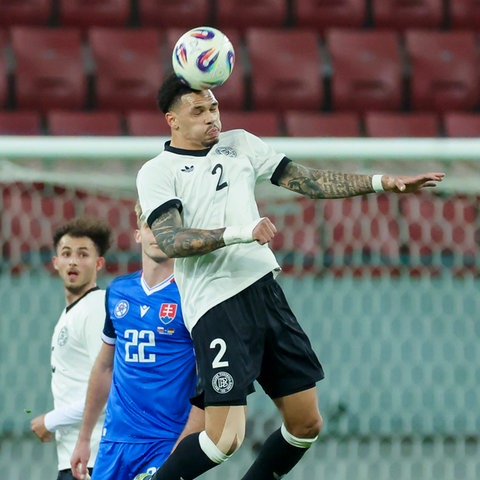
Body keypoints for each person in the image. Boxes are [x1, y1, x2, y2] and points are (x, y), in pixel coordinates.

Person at [134, 72, 446, 480]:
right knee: (223, 440)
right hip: (216, 305)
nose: (212, 117)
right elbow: (172, 240)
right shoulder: (157, 171)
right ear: (171, 120)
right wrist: (241, 232)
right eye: (198, 111)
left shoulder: (240, 144)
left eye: (214, 107)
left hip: (265, 293)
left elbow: (309, 181)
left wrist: (382, 182)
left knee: (305, 423)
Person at [70, 201, 203, 480]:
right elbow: (105, 367)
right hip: (114, 443)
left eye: (167, 228)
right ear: (138, 234)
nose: (157, 235)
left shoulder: (192, 296)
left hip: (164, 443)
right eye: (150, 226)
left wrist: (181, 453)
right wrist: (84, 438)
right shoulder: (118, 291)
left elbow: (207, 385)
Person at [31, 217, 112, 480]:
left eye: (83, 254)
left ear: (99, 263)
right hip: (75, 459)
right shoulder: (70, 314)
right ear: (55, 263)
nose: (73, 261)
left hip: (94, 456)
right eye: (66, 254)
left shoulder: (96, 307)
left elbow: (109, 388)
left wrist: (50, 421)